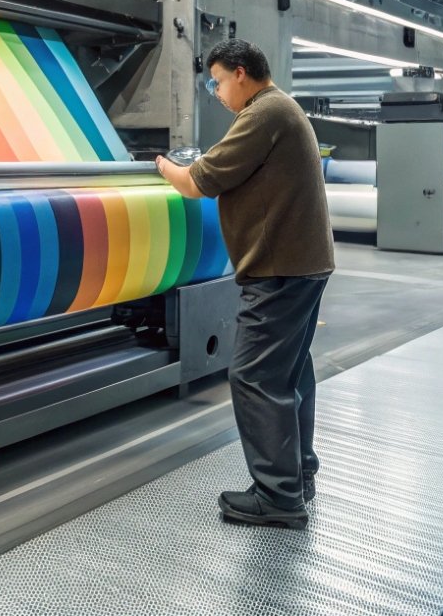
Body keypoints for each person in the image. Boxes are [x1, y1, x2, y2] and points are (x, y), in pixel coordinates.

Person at [155, 39, 334, 529]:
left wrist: (164, 166)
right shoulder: (281, 109)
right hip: (301, 265)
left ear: (239, 73)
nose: (216, 92)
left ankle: (278, 498)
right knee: (290, 374)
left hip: (279, 271)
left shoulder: (264, 113)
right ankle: (297, 475)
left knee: (253, 377)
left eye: (216, 82)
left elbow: (198, 182)